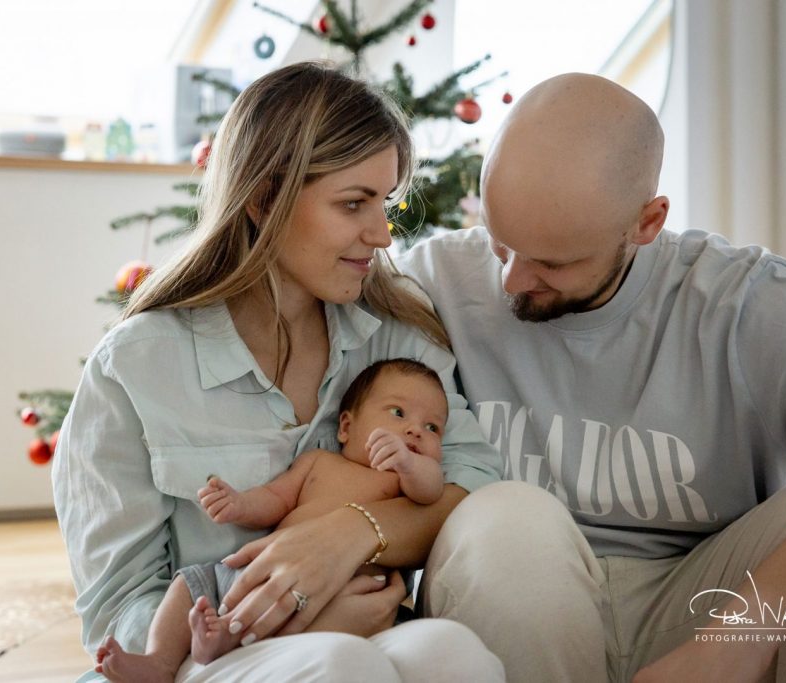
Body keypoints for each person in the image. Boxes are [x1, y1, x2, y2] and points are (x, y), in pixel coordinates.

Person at [397, 72, 786, 683]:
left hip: (705, 605)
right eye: (500, 243)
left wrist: (741, 639)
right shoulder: (432, 281)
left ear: (647, 223)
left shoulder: (741, 300)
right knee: (507, 516)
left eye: (552, 262)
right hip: (515, 608)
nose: (513, 282)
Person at [52, 61, 505, 683]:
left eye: (387, 204)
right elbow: (117, 604)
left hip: (370, 628)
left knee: (454, 653)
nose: (382, 234)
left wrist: (351, 536)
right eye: (354, 204)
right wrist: (285, 625)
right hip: (202, 658)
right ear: (265, 197)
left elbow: (476, 491)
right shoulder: (136, 364)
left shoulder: (397, 339)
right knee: (338, 662)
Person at [95, 358, 450, 681]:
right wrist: (238, 503)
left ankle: (227, 642)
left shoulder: (404, 480)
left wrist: (409, 464)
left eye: (433, 427)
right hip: (263, 569)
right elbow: (276, 499)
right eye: (398, 413)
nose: (416, 431)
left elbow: (431, 492)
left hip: (346, 592)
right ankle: (160, 660)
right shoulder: (318, 463)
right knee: (189, 584)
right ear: (346, 426)